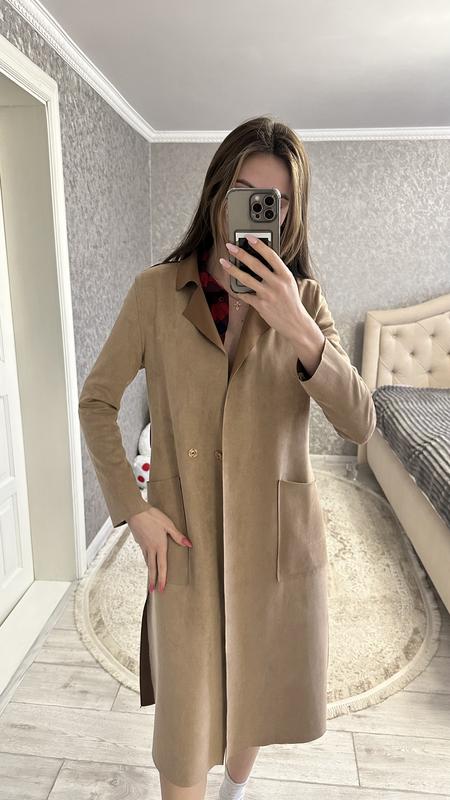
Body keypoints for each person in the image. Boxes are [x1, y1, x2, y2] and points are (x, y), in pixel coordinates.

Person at [78, 115, 376, 800]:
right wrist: (134, 511)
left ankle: (235, 792)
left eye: (278, 201)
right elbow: (97, 402)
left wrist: (298, 327)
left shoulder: (306, 304)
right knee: (184, 741)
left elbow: (359, 423)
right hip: (184, 546)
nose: (261, 211)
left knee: (256, 699)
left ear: (291, 214)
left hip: (273, 547)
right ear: (218, 193)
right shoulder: (155, 294)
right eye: (247, 192)